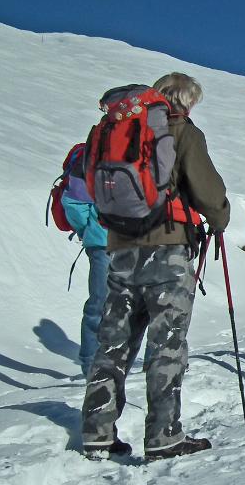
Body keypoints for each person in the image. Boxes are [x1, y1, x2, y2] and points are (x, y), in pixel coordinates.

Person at [81, 73, 230, 460]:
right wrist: (220, 217)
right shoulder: (182, 132)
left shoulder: (119, 128)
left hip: (121, 249)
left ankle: (97, 431)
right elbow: (210, 194)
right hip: (168, 250)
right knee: (167, 345)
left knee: (113, 343)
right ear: (187, 101)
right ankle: (164, 434)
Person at [60, 146, 109, 377]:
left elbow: (74, 204)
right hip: (125, 242)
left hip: (101, 241)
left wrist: (88, 229)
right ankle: (94, 365)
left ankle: (92, 364)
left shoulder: (91, 153)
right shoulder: (93, 156)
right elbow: (74, 202)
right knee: (110, 305)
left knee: (99, 304)